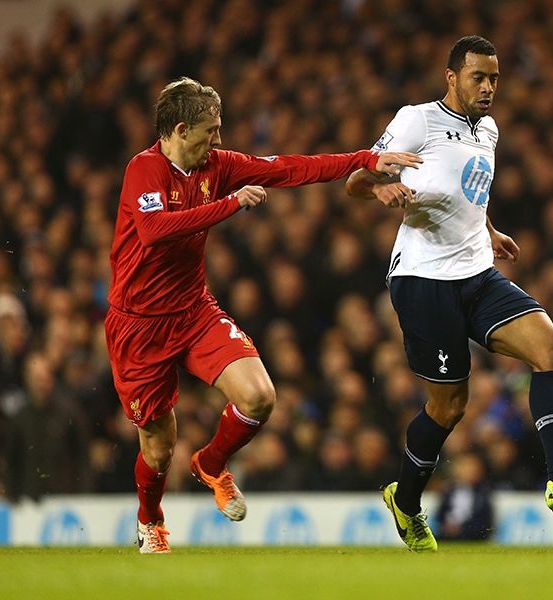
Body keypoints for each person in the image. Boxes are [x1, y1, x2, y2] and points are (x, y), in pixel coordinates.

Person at [105, 77, 420, 554]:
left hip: (192, 311)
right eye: (210, 130)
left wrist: (364, 159)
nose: (218, 139)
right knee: (158, 446)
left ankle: (211, 464)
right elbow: (152, 231)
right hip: (138, 324)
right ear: (181, 128)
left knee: (259, 398)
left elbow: (290, 168)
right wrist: (229, 204)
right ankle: (151, 521)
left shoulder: (217, 165)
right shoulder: (144, 169)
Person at [346, 36, 553, 553]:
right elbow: (356, 178)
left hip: (477, 271)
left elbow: (467, 189)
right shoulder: (417, 119)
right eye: (478, 77)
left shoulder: (490, 129)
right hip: (424, 280)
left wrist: (488, 229)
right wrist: (380, 187)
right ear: (451, 76)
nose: (488, 87)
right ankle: (405, 501)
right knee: (449, 406)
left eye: (495, 78)